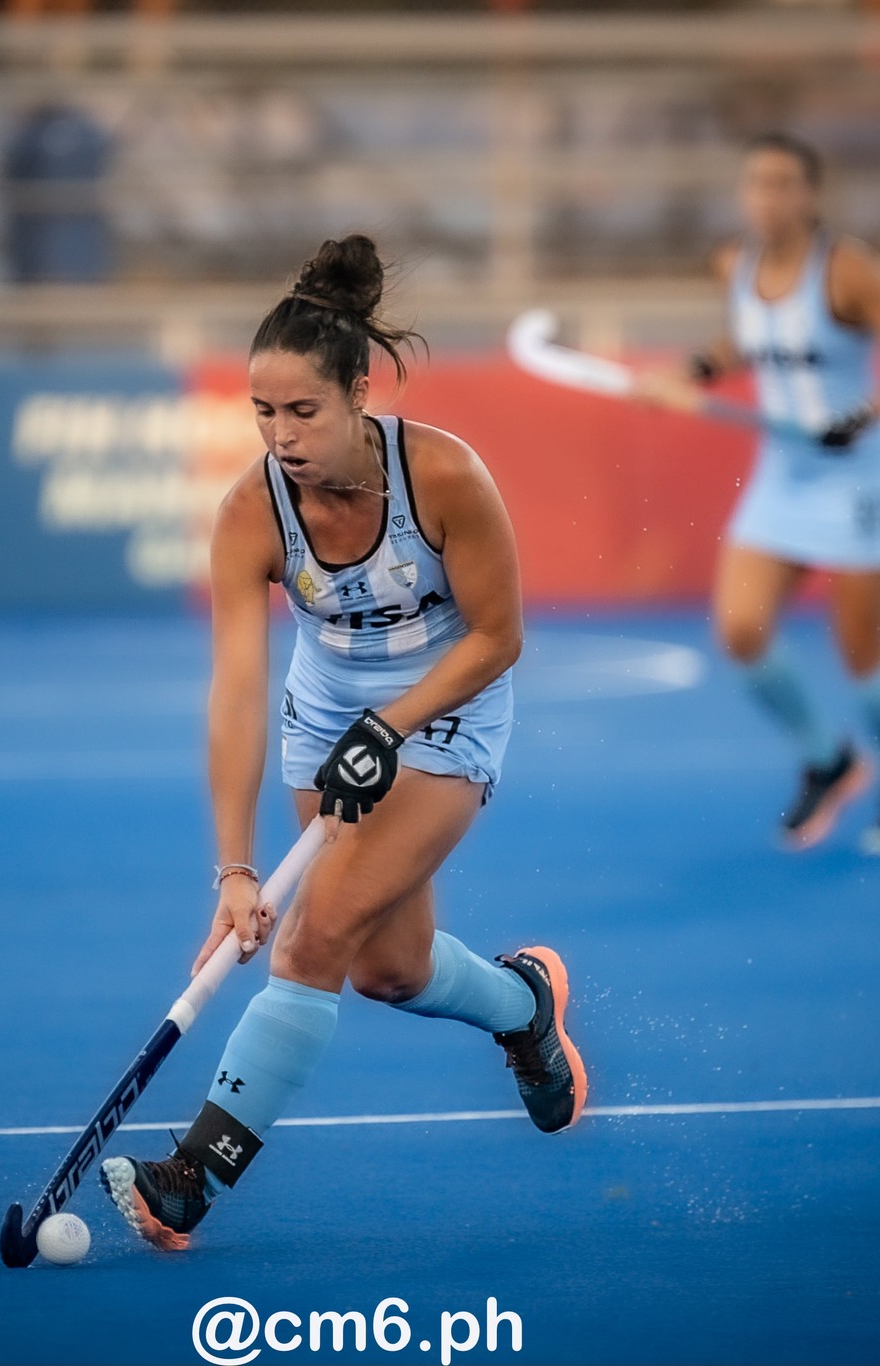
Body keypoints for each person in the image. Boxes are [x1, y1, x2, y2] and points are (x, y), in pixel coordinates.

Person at [100, 235, 586, 1252]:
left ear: (358, 390)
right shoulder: (248, 514)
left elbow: (498, 637)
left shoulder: (445, 477)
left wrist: (393, 725)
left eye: (303, 411)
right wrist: (233, 869)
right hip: (321, 723)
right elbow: (234, 696)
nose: (280, 435)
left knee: (314, 936)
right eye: (262, 412)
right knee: (388, 969)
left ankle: (191, 1176)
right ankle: (522, 1004)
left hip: (445, 709)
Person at [637, 132, 880, 856]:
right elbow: (744, 338)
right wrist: (691, 373)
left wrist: (863, 416)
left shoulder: (849, 271)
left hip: (861, 471)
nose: (767, 198)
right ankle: (828, 758)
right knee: (741, 628)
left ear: (809, 195)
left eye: (783, 184)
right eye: (756, 184)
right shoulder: (734, 264)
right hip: (787, 473)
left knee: (862, 650)